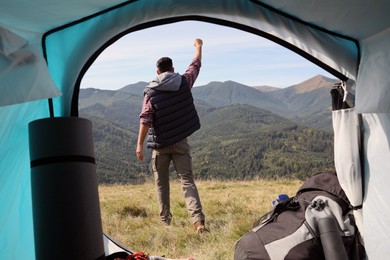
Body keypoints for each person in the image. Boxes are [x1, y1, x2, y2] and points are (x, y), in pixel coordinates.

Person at [136, 38, 207, 234]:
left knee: (161, 184)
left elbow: (145, 119)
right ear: (172, 69)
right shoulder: (183, 82)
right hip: (180, 143)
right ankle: (198, 222)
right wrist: (198, 47)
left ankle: (165, 222)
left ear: (157, 72)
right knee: (187, 181)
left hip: (159, 146)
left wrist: (139, 145)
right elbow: (195, 65)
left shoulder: (150, 92)